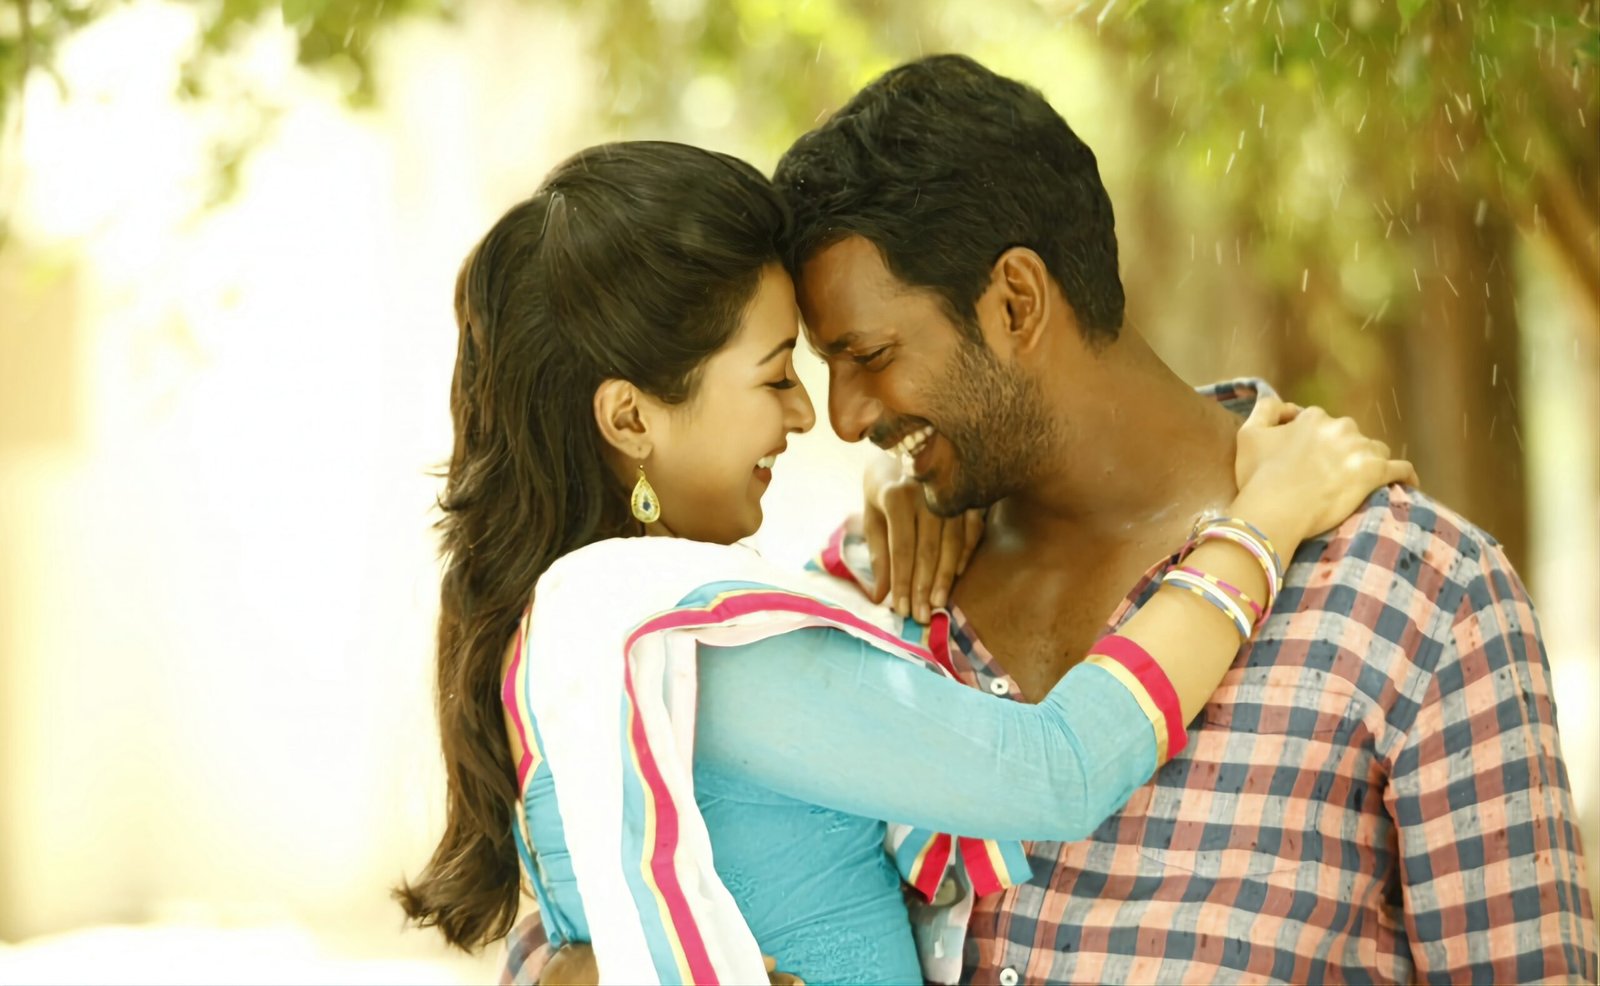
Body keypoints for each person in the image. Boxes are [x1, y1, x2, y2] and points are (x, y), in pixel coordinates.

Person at [393, 140, 1409, 985]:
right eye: (773, 376)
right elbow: (1058, 771)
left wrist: (930, 486)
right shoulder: (699, 645)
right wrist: (1260, 526)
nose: (811, 416)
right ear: (629, 418)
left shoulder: (567, 634)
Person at [764, 53, 1597, 982]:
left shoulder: (1416, 596)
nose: (844, 419)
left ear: (1016, 303)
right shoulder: (867, 596)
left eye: (870, 356)